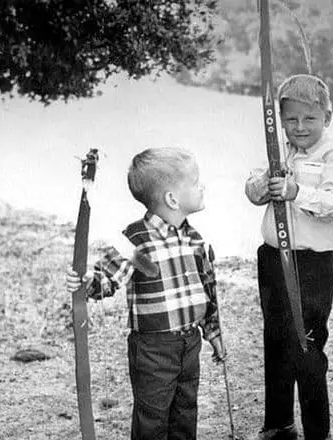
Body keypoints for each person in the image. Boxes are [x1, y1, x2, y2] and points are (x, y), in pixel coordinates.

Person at [66, 147, 225, 440]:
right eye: (195, 182)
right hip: (153, 349)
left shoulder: (195, 240)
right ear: (172, 199)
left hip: (189, 344)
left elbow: (207, 291)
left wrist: (213, 334)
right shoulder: (137, 240)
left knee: (185, 411)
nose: (201, 187)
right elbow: (108, 278)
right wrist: (88, 282)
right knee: (152, 418)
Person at [245, 74, 333, 440]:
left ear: (327, 118)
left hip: (310, 267)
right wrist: (262, 186)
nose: (299, 127)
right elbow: (253, 189)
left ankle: (317, 432)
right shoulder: (281, 154)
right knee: (276, 342)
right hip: (273, 260)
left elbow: (332, 204)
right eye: (291, 119)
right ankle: (279, 424)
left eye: (309, 119)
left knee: (305, 348)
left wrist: (295, 191)